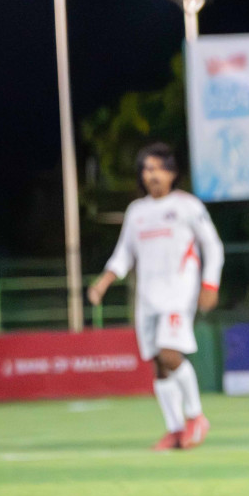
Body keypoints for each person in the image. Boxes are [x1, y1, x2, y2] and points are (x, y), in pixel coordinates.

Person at [89, 142, 223, 450]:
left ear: (172, 173)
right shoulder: (137, 212)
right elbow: (123, 254)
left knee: (169, 353)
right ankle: (175, 430)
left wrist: (210, 285)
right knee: (158, 364)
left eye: (157, 168)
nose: (151, 175)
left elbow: (212, 246)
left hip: (179, 292)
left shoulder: (188, 206)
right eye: (146, 170)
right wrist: (103, 282)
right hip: (147, 297)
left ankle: (196, 417)